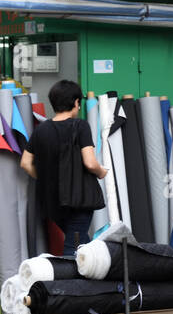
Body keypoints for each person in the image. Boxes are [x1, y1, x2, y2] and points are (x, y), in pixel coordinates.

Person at [20, 80, 108, 257]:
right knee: (73, 248)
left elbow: (25, 163)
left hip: (52, 202)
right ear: (76, 102)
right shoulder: (80, 126)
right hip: (78, 201)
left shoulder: (41, 130)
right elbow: (90, 162)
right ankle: (68, 284)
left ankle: (97, 272)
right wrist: (101, 172)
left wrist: (46, 176)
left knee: (79, 240)